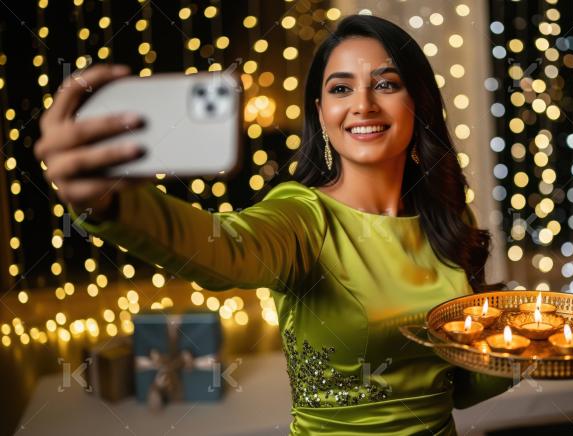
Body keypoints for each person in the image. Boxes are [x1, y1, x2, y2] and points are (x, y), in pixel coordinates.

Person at [34, 14, 514, 435]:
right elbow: (224, 250)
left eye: (386, 84)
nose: (363, 104)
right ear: (321, 113)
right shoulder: (302, 216)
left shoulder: (446, 217)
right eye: (341, 88)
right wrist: (108, 203)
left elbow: (458, 388)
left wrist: (528, 349)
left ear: (419, 103)